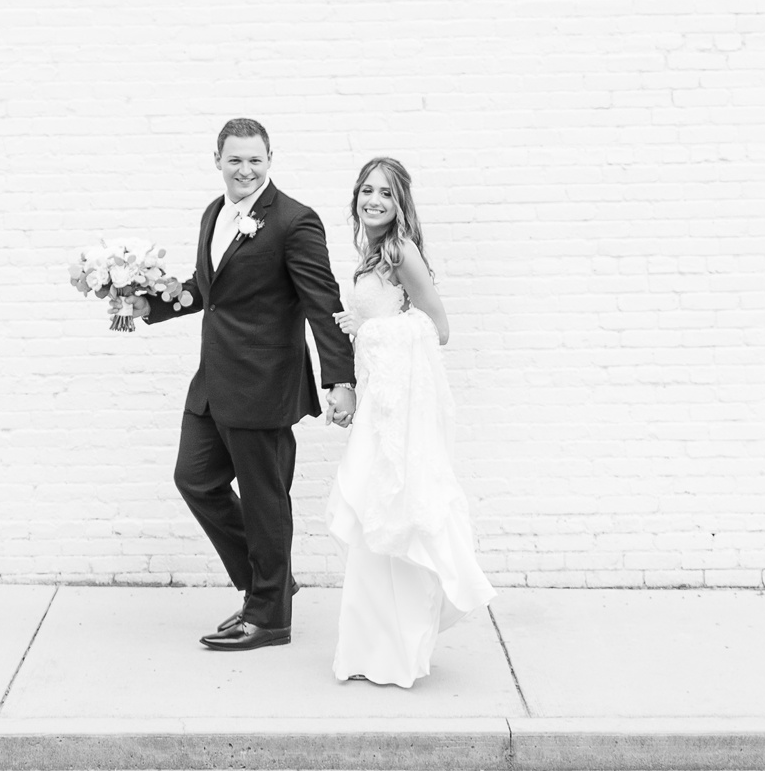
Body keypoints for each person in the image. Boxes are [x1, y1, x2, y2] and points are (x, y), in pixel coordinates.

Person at [126, 119, 356, 651]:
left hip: (263, 385)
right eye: (235, 160)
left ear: (270, 158)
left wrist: (339, 379)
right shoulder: (214, 213)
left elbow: (323, 303)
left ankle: (270, 617)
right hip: (213, 381)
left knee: (264, 501)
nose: (245, 170)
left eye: (255, 159)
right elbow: (211, 288)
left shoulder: (296, 221)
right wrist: (150, 304)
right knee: (195, 480)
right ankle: (266, 589)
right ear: (218, 161)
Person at [326, 157, 493, 687]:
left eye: (386, 194)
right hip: (381, 407)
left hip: (399, 420)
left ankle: (397, 653)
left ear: (401, 205)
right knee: (375, 525)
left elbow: (437, 328)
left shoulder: (401, 252)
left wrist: (368, 328)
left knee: (396, 515)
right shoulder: (369, 255)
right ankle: (370, 651)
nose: (374, 200)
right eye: (367, 191)